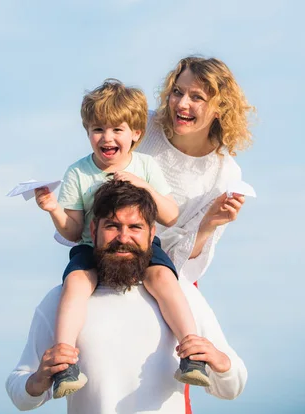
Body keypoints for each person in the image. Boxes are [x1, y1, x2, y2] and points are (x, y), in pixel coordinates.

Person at [6, 180, 247, 414]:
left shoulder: (181, 293)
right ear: (93, 231)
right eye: (112, 226)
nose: (123, 238)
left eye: (135, 227)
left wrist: (219, 361)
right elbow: (20, 393)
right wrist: (38, 381)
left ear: (152, 233)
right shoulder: (63, 299)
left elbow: (232, 386)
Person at [33, 79, 208, 399]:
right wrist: (53, 209)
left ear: (136, 134)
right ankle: (65, 363)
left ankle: (192, 353)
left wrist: (144, 186)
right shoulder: (78, 173)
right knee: (74, 286)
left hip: (140, 247)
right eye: (98, 129)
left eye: (117, 129)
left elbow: (170, 215)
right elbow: (72, 231)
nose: (107, 137)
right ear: (88, 132)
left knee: (165, 279)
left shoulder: (146, 165)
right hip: (92, 246)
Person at [136, 56, 254, 285]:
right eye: (178, 92)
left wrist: (208, 224)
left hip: (166, 273)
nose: (181, 104)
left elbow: (184, 258)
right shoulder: (143, 125)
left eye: (197, 97)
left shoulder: (226, 174)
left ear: (220, 109)